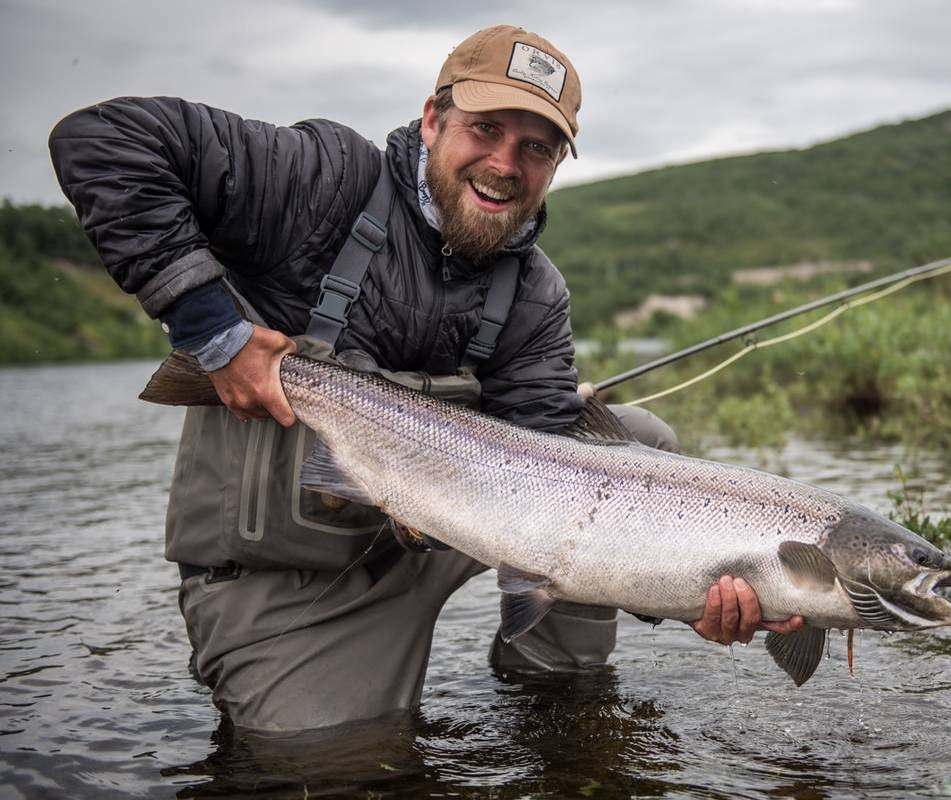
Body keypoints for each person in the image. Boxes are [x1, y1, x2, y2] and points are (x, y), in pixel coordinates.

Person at [49, 24, 803, 733]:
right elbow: (102, 141)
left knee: (629, 446)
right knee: (326, 766)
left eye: (537, 149)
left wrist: (693, 591)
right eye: (486, 130)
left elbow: (551, 478)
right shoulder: (321, 181)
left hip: (448, 525)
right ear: (433, 119)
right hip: (293, 575)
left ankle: (549, 697)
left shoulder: (536, 293)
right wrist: (213, 332)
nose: (506, 165)